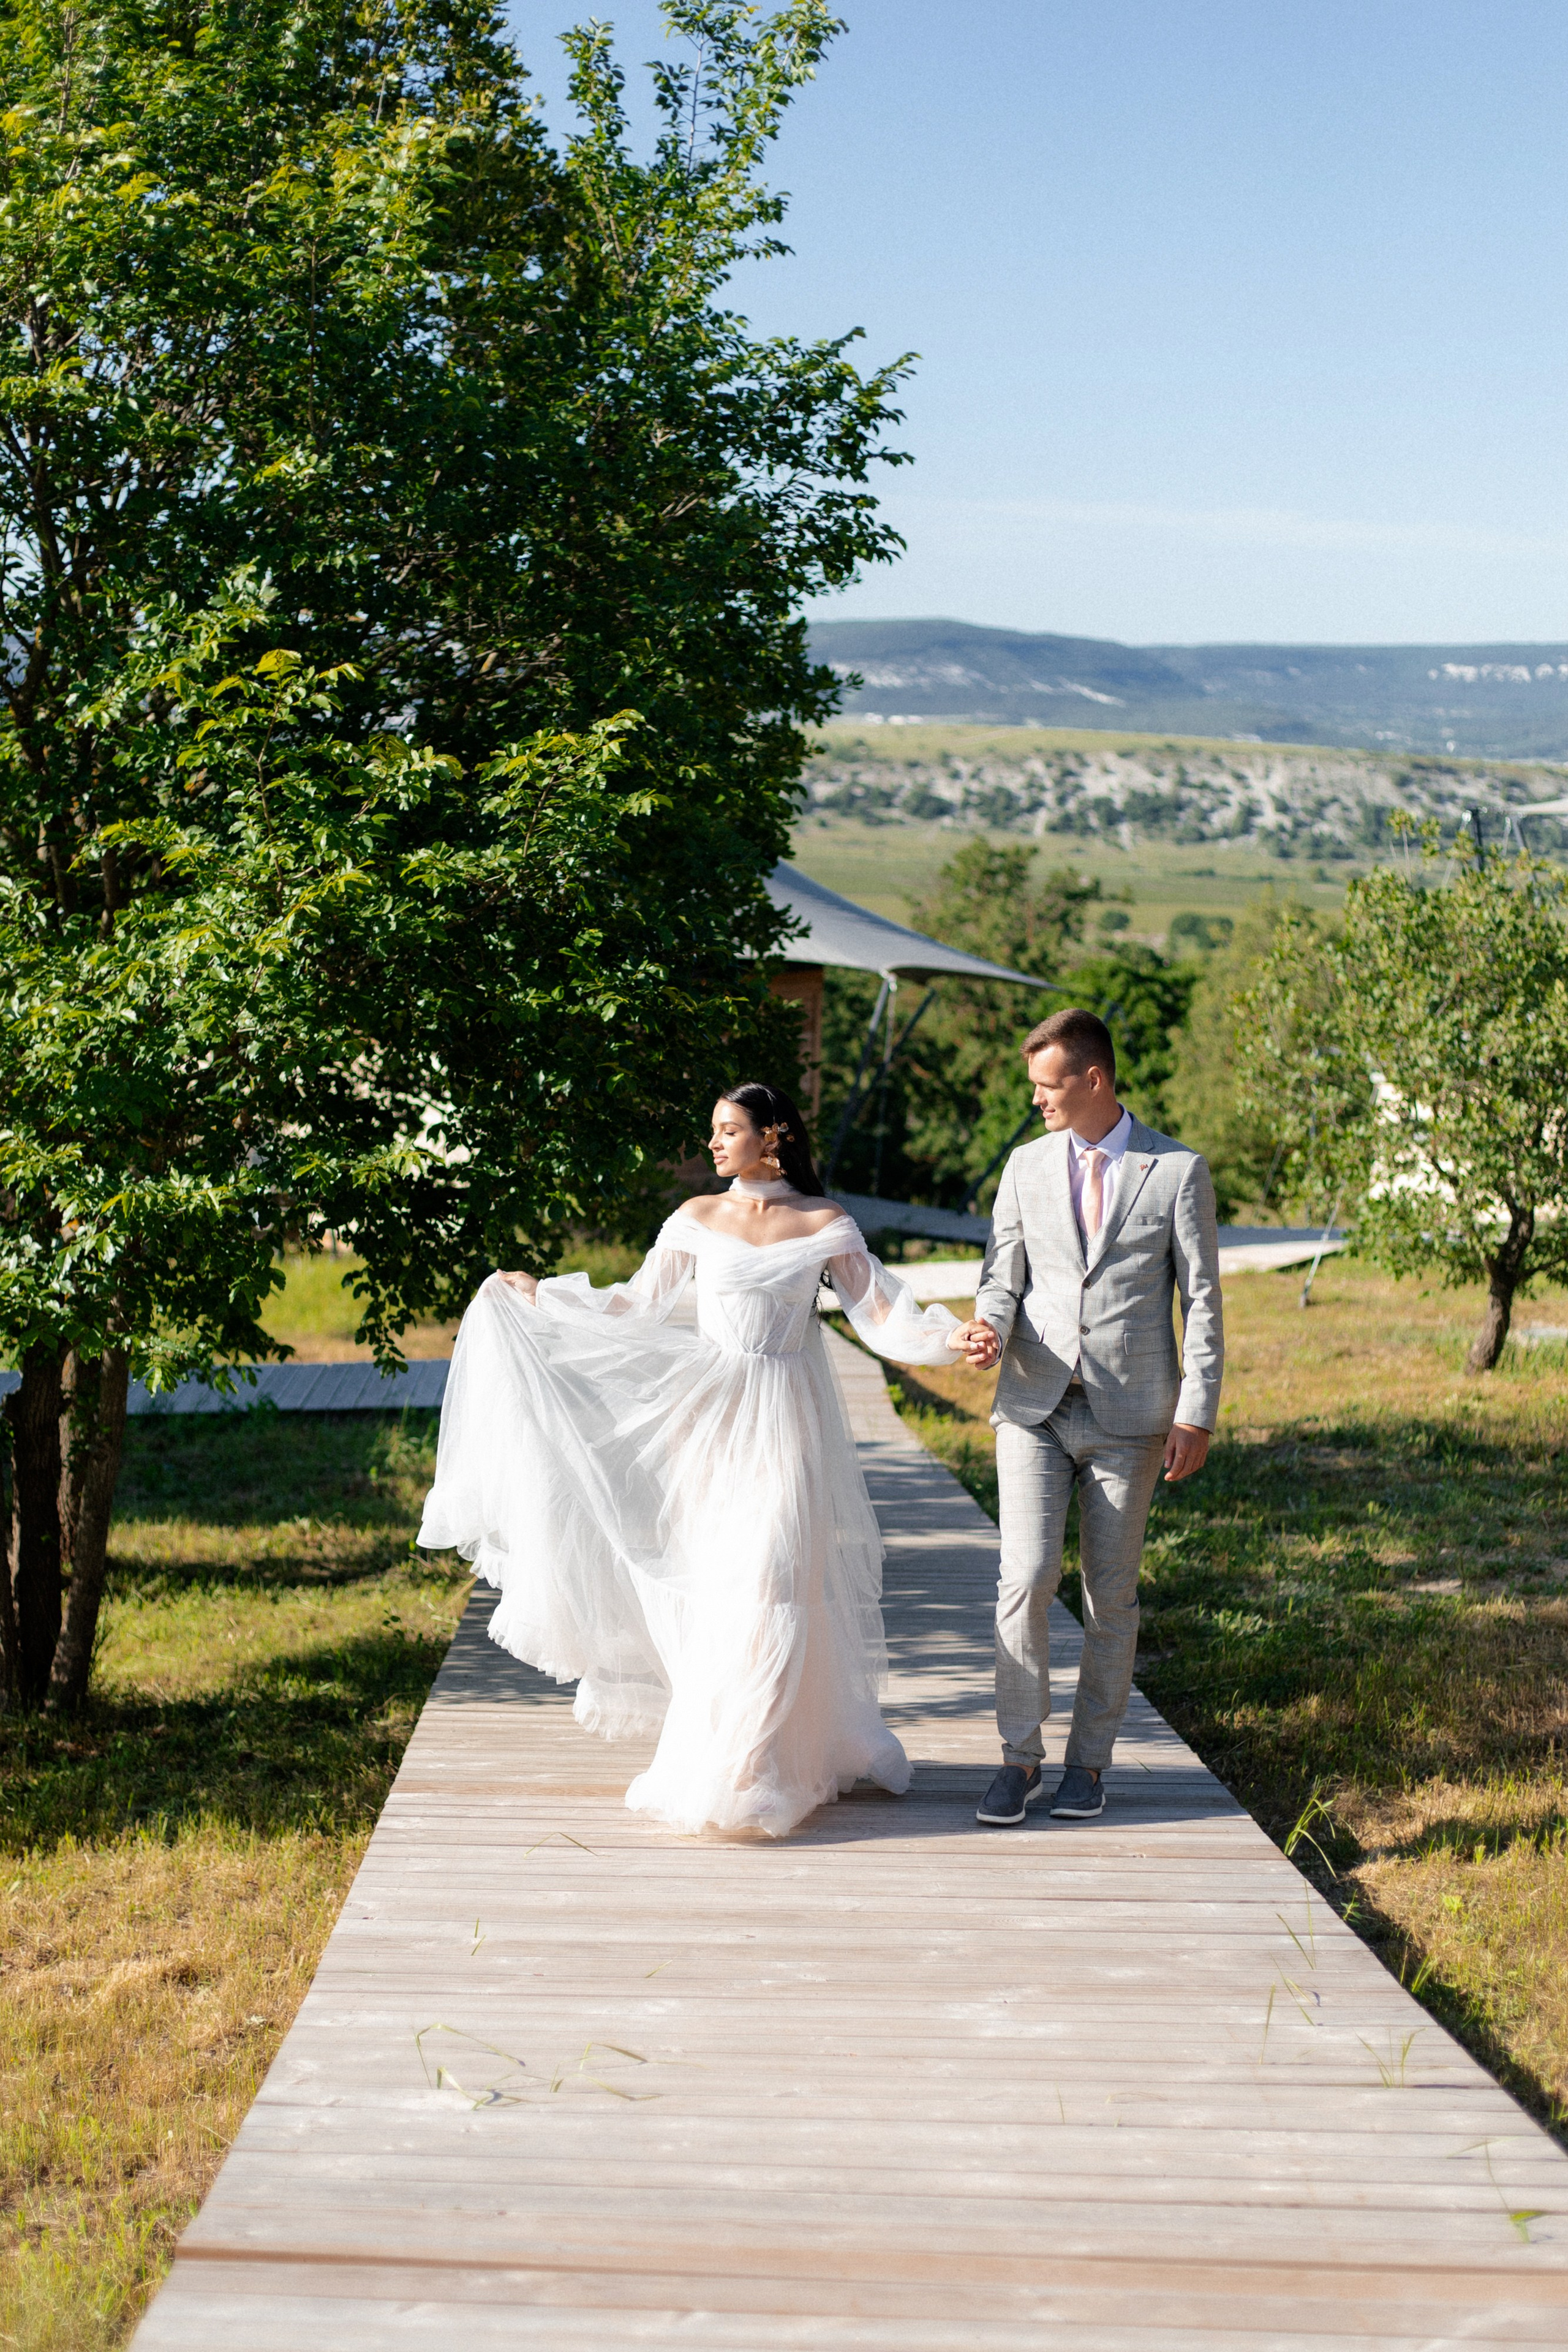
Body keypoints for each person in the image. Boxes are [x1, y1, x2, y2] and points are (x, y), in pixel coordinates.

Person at [417, 1082, 971, 1839]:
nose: (712, 1144)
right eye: (712, 1130)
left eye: (727, 1130)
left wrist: (951, 1341)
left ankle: (752, 1767)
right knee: (728, 1586)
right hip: (709, 1422)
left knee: (778, 1578)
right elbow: (635, 1306)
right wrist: (540, 1295)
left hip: (788, 1420)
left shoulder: (825, 1224)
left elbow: (880, 1313)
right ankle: (730, 1754)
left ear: (771, 1137)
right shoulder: (695, 1218)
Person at [952, 1008, 1223, 1828]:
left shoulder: (1176, 1170)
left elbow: (1203, 1299)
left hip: (1132, 1416)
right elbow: (1004, 1274)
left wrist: (1197, 1414)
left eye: (1047, 1084)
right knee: (1026, 1577)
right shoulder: (1025, 1166)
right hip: (1033, 1403)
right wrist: (989, 1324)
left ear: (1093, 1080)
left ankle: (1090, 1765)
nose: (1036, 1099)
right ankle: (1017, 1758)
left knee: (1111, 1596)